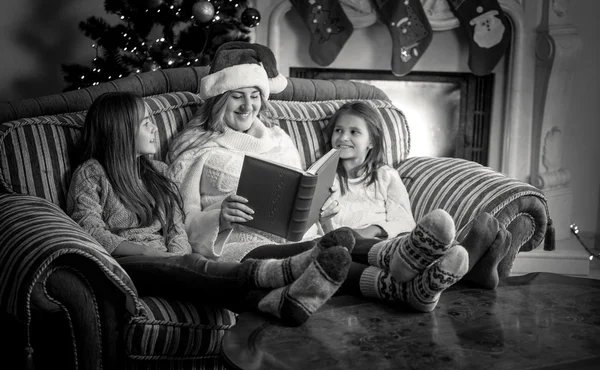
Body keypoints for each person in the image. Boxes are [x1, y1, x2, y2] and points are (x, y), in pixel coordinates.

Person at [166, 41, 477, 313]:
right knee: (326, 252)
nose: (249, 106)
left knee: (328, 251)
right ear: (219, 97)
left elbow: (298, 188)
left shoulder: (278, 138)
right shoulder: (195, 147)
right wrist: (218, 219)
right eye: (237, 96)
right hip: (240, 248)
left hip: (300, 236)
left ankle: (411, 289)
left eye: (255, 95)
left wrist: (320, 205)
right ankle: (395, 255)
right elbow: (178, 220)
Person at [66, 91, 354, 327]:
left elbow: (176, 226)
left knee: (191, 264)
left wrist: (176, 254)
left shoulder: (158, 172)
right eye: (145, 123)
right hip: (129, 266)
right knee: (198, 267)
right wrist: (148, 253)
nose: (155, 128)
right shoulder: (92, 174)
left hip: (169, 260)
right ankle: (281, 275)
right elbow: (89, 230)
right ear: (119, 131)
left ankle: (307, 265)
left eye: (152, 120)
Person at [321, 101, 513, 290]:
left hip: (390, 240)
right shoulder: (324, 179)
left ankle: (466, 259)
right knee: (389, 255)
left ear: (371, 141)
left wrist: (374, 229)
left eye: (354, 132)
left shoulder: (385, 175)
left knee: (422, 245)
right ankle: (471, 267)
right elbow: (320, 232)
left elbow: (405, 222)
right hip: (353, 248)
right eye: (338, 130)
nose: (343, 137)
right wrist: (343, 231)